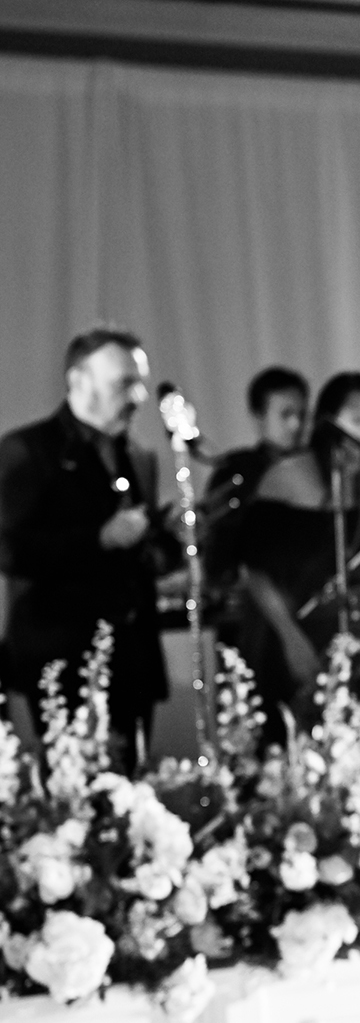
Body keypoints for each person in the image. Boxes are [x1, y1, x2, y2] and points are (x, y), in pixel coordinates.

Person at [0, 326, 177, 761]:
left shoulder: (139, 457)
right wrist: (97, 539)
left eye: (140, 383)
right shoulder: (27, 451)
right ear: (79, 380)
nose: (138, 397)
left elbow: (140, 559)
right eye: (124, 383)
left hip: (131, 661)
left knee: (131, 796)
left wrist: (170, 542)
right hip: (62, 660)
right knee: (74, 800)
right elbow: (10, 550)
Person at [235, 371, 360, 724]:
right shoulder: (285, 478)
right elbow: (254, 570)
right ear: (328, 422)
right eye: (356, 420)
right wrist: (291, 639)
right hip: (292, 641)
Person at [200, 366, 311, 625]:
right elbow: (218, 556)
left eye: (302, 414)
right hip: (250, 618)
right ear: (259, 418)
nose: (296, 425)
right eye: (285, 414)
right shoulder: (237, 471)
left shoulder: (316, 470)